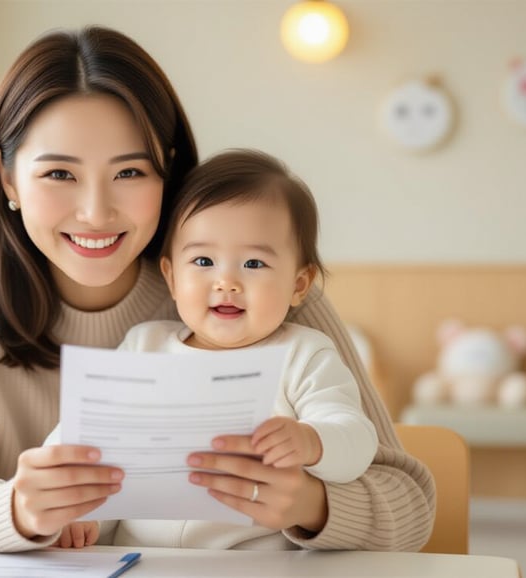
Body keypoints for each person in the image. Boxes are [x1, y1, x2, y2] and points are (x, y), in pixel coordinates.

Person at [0, 26, 434, 553]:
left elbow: (409, 505)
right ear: (8, 177)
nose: (96, 213)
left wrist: (310, 504)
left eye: (130, 172)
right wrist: (17, 510)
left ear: (167, 175)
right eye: (59, 174)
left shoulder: (256, 293)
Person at [53, 149, 378, 549]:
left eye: (254, 264)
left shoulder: (303, 355)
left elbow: (358, 441)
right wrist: (76, 513)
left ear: (299, 284)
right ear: (172, 277)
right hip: (139, 559)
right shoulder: (143, 347)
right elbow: (83, 438)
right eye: (204, 260)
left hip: (253, 564)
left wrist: (313, 441)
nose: (226, 282)